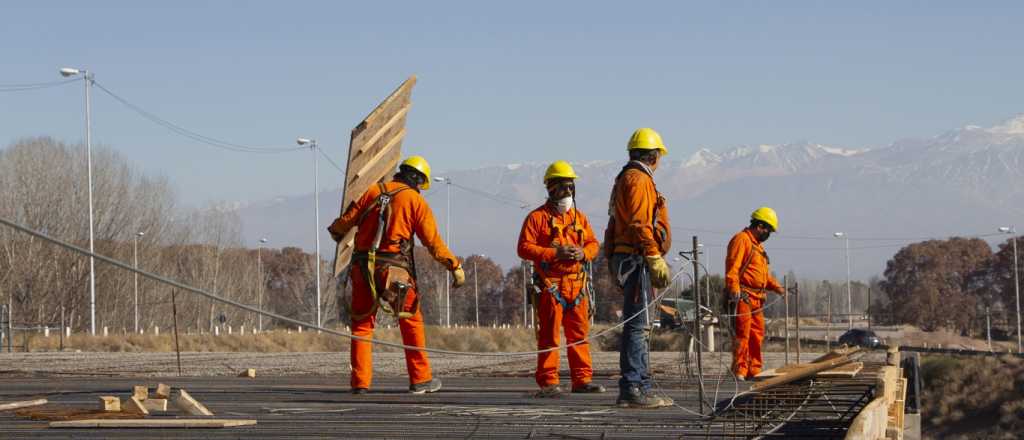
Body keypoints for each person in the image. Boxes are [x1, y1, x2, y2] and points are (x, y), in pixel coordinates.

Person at [327, 155, 465, 395]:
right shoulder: (415, 202)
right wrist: (454, 266)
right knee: (410, 320)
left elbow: (341, 226)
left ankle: (360, 383)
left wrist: (340, 232)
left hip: (362, 270)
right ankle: (420, 379)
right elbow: (433, 243)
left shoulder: (372, 191)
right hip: (394, 272)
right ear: (419, 180)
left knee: (361, 325)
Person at [517, 160, 605, 397]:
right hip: (551, 285)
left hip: (576, 285)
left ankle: (582, 380)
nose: (567, 193)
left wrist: (583, 252)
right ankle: (548, 383)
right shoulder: (537, 218)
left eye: (570, 187)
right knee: (549, 336)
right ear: (551, 189)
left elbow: (593, 244)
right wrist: (554, 253)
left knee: (579, 336)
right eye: (562, 187)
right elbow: (524, 248)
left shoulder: (580, 218)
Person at [603, 128, 674, 408]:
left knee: (640, 327)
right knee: (638, 327)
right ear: (653, 155)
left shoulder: (625, 178)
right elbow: (639, 224)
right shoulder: (639, 179)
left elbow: (612, 225)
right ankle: (633, 388)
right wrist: (654, 255)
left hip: (628, 257)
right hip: (637, 258)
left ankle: (640, 385)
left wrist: (610, 258)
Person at [725, 207, 786, 381]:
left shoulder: (758, 247)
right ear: (760, 226)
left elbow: (764, 276)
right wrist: (734, 289)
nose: (769, 234)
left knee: (756, 335)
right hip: (743, 296)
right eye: (768, 230)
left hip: (757, 299)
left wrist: (777, 287)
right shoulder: (741, 240)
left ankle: (754, 369)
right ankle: (740, 370)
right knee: (742, 335)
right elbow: (732, 268)